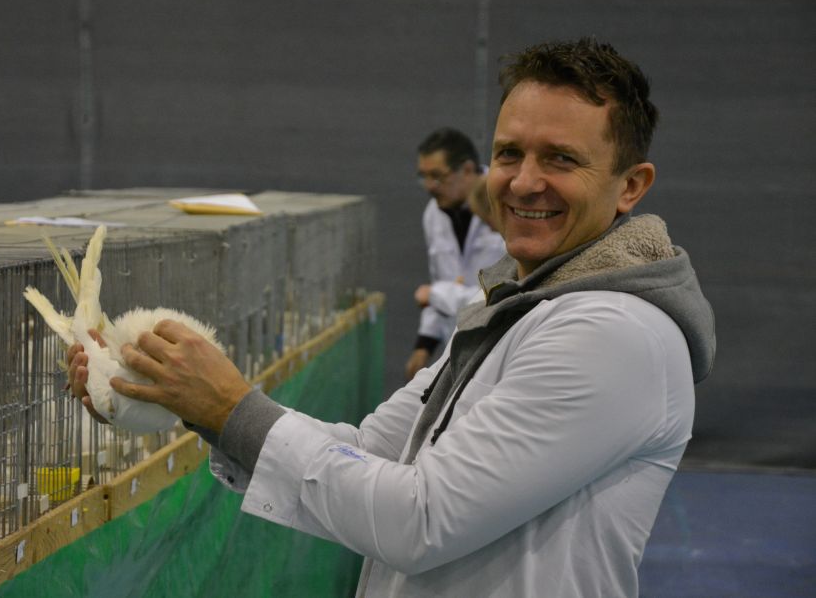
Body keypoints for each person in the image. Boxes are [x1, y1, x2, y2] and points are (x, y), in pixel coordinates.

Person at [67, 37, 716, 597]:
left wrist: (230, 406)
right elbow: (369, 449)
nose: (523, 182)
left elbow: (420, 520)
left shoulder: (612, 334)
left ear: (631, 186)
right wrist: (188, 398)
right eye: (509, 153)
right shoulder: (515, 306)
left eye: (561, 159)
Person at [406, 128, 507, 380]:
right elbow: (443, 280)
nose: (429, 186)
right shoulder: (434, 213)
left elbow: (502, 296)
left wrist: (436, 294)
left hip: (498, 346)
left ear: (467, 169)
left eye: (437, 177)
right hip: (459, 346)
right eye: (424, 177)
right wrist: (424, 344)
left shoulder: (506, 200)